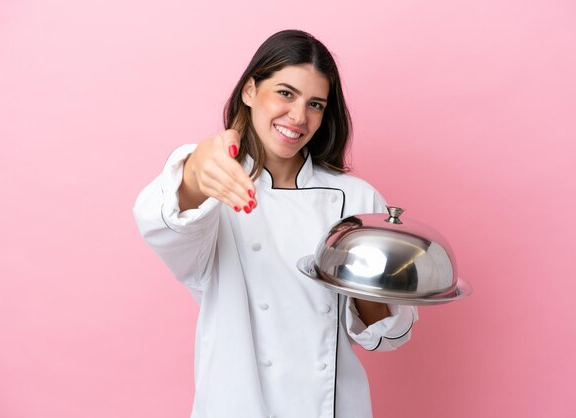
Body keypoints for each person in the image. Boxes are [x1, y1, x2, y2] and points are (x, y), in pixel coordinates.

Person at [133, 29, 418, 418]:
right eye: (285, 93)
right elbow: (161, 222)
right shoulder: (215, 186)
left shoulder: (357, 199)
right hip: (237, 404)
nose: (299, 117)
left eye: (315, 103)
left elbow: (389, 336)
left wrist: (361, 271)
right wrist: (198, 169)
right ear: (250, 90)